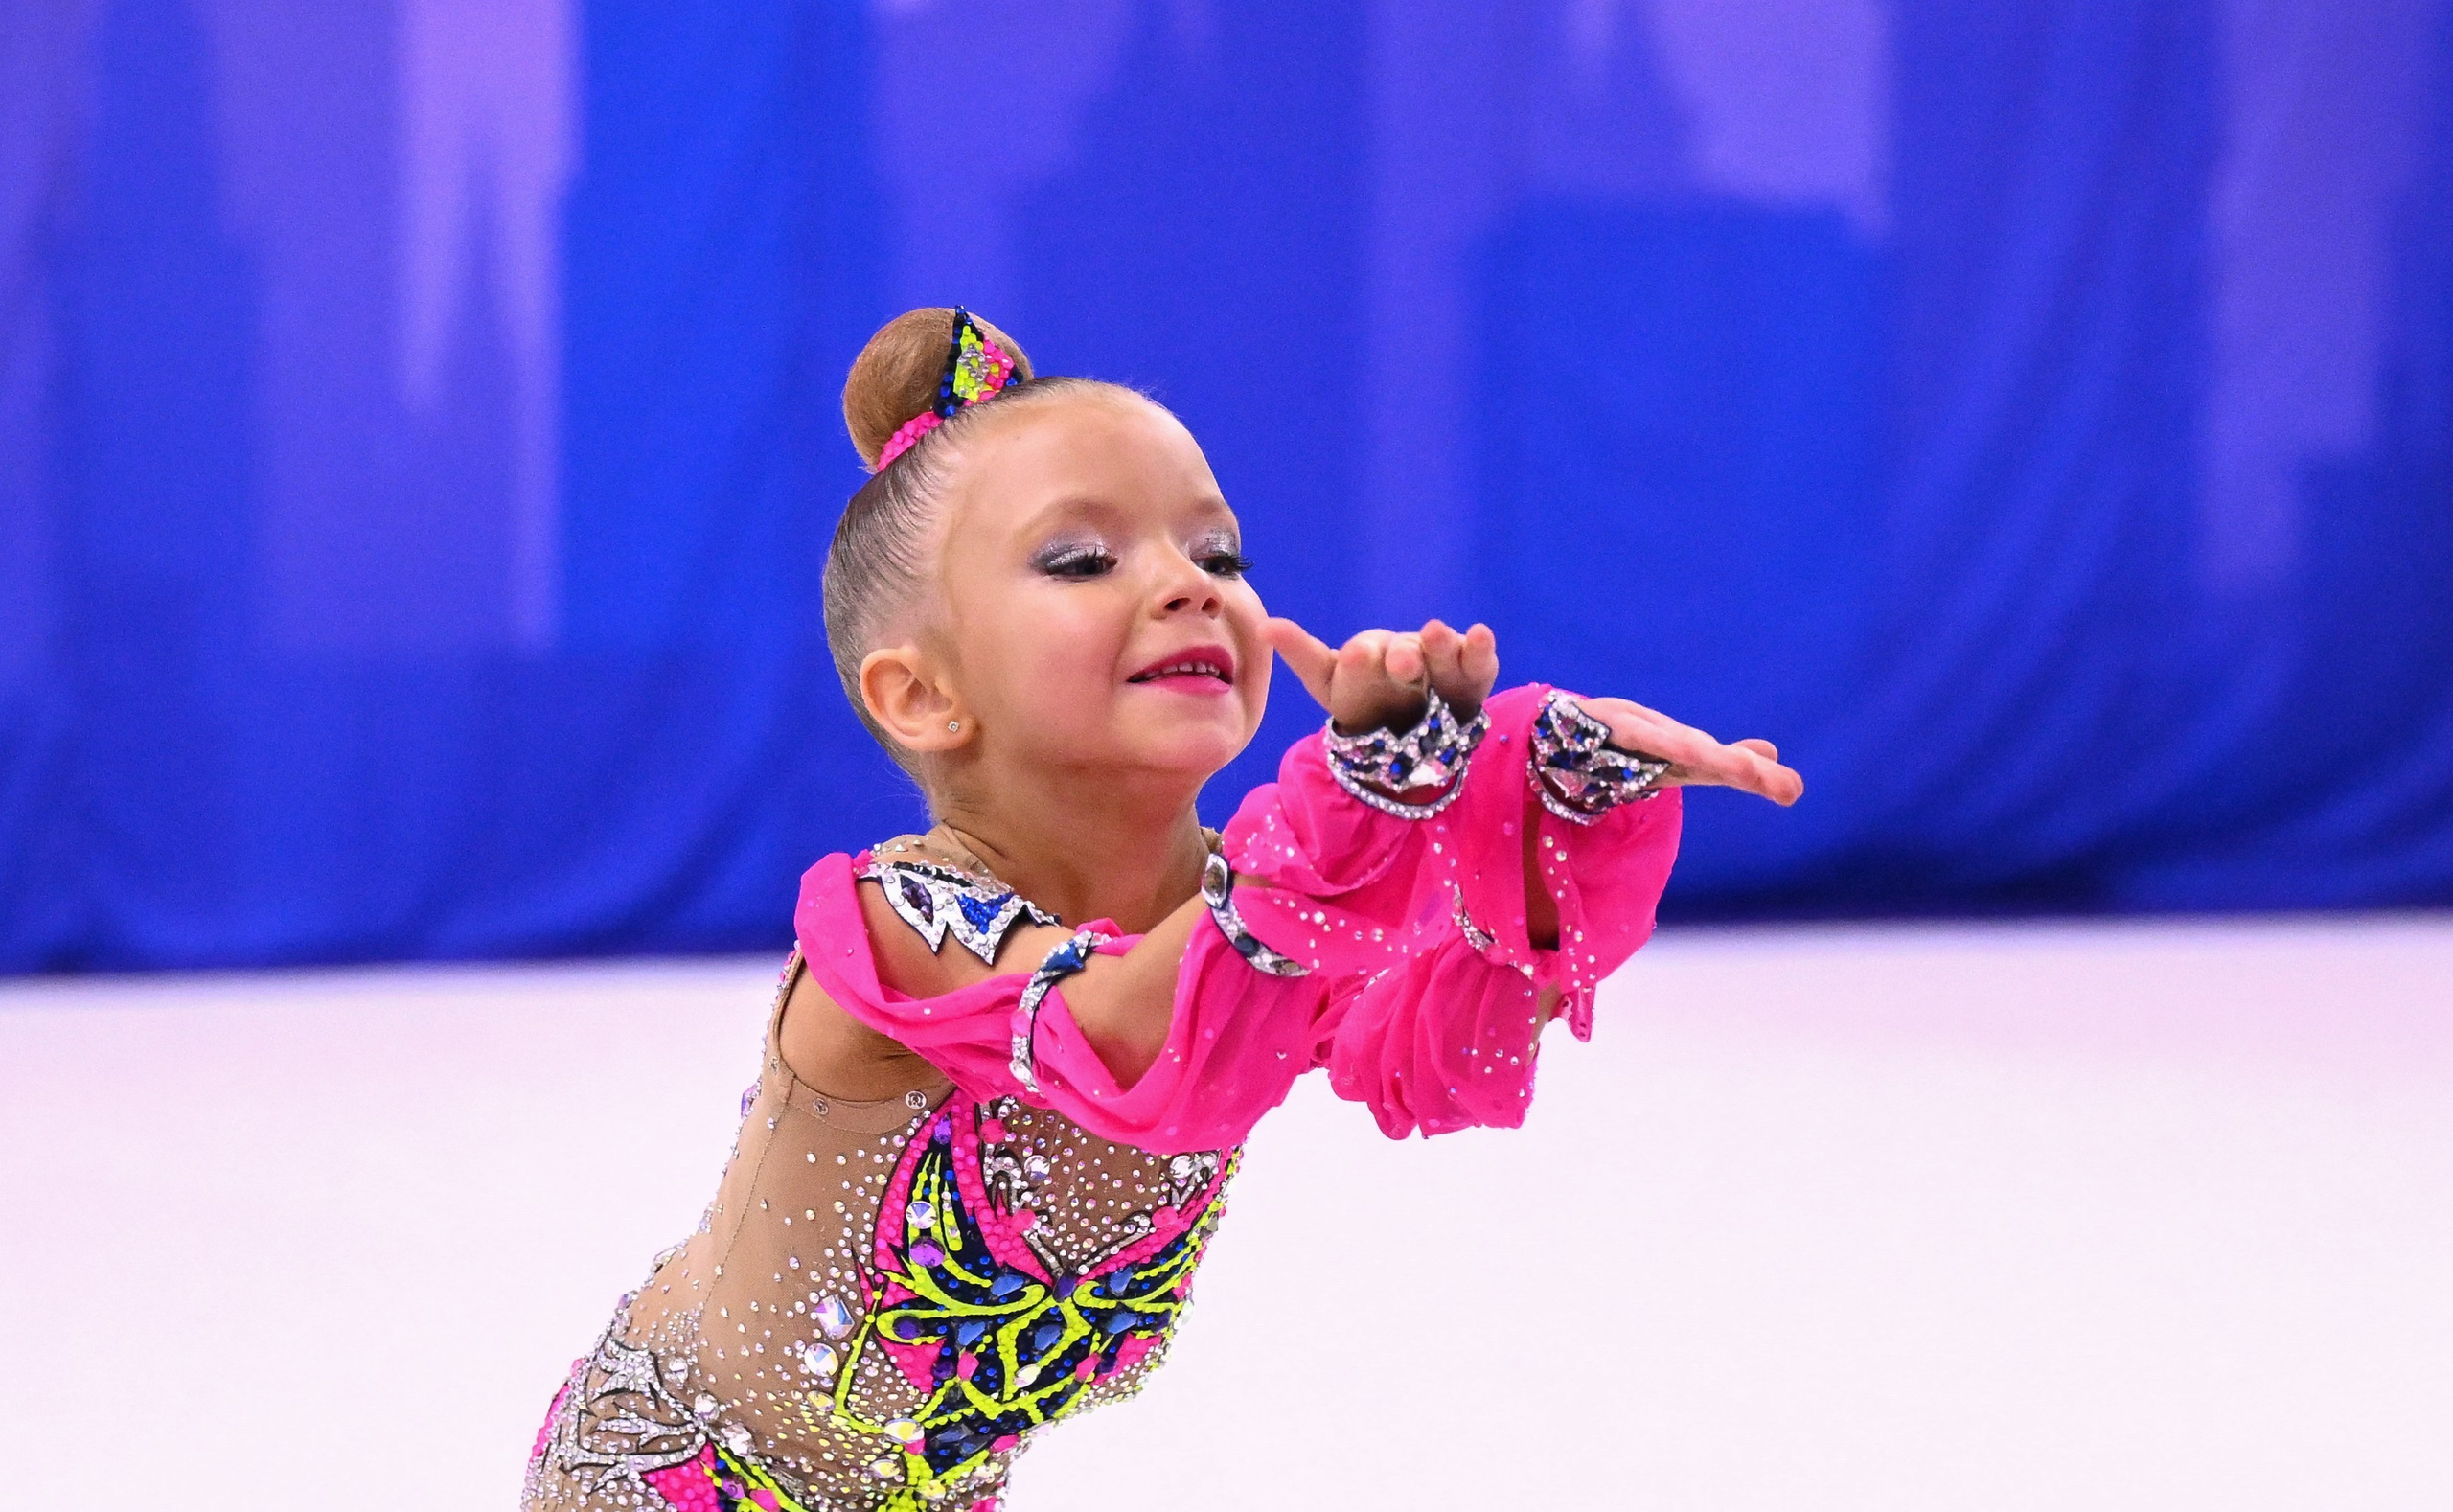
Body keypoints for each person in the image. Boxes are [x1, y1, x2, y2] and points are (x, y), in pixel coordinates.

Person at [522, 308, 1801, 1512]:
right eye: (1083, 558)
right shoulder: (903, 918)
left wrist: (1532, 803)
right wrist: (1362, 806)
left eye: (1218, 551)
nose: (1189, 586)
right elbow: (1137, 1038)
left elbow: (1429, 1055)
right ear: (921, 696)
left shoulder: (1252, 911)